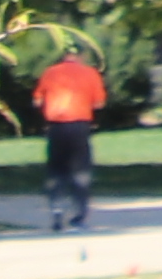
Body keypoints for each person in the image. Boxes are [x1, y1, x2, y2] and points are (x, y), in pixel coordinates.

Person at [28, 48, 111, 233]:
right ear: (80, 56)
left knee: (56, 170)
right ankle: (80, 215)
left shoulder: (50, 72)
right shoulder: (90, 73)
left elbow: (37, 101)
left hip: (56, 126)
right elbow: (99, 103)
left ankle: (57, 211)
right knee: (81, 169)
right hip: (80, 125)